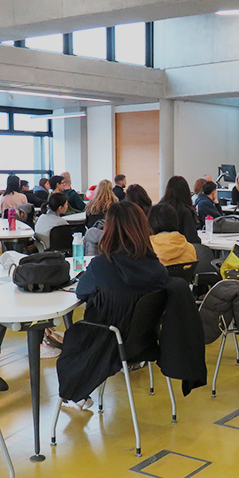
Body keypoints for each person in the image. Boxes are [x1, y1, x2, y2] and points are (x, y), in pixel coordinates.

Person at [63, 201, 170, 409]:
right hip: (145, 343)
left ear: (109, 229)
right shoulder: (157, 268)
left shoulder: (101, 266)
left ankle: (77, 395)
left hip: (104, 344)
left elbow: (82, 292)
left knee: (72, 336)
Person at [158, 175, 202, 244]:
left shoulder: (158, 209)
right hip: (180, 250)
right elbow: (192, 239)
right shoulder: (185, 212)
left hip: (158, 249)